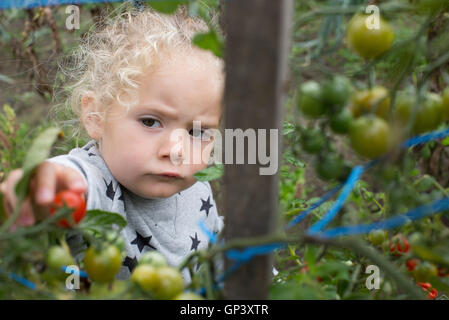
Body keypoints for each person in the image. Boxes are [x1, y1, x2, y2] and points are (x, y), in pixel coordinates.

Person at [0, 3, 225, 282]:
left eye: (198, 132)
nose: (177, 152)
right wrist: (45, 188)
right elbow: (73, 181)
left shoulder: (199, 189)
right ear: (96, 115)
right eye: (151, 122)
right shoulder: (97, 183)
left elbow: (220, 256)